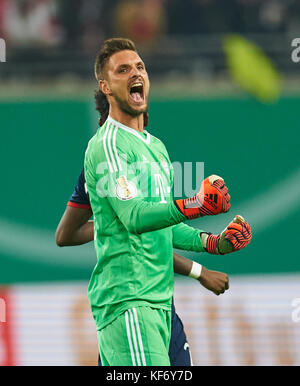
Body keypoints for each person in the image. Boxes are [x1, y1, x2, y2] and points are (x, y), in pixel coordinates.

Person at [82, 37, 252, 366]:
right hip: (129, 299)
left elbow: (163, 227)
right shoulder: (108, 145)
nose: (136, 73)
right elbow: (134, 217)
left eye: (140, 67)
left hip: (159, 303)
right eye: (123, 70)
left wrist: (214, 242)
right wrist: (197, 204)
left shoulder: (156, 147)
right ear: (105, 86)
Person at [56, 166, 231, 366]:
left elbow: (157, 231)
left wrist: (212, 242)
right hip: (131, 303)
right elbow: (65, 235)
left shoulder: (152, 153)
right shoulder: (103, 159)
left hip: (162, 304)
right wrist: (113, 224)